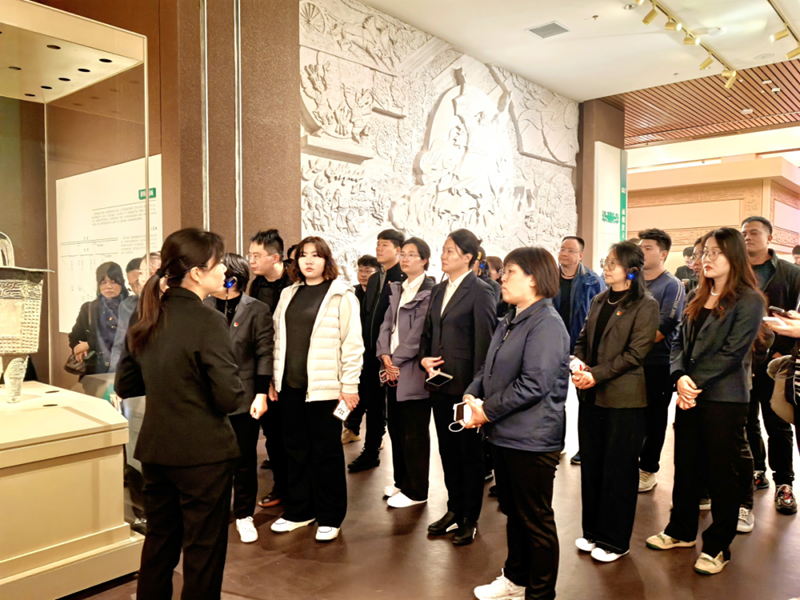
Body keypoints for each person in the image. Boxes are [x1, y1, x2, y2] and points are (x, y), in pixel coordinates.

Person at [115, 228, 250, 600]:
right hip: (204, 454)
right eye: (218, 263)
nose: (225, 270)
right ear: (196, 273)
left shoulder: (148, 315)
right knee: (203, 550)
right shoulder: (208, 320)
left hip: (156, 450)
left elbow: (126, 383)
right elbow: (228, 397)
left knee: (159, 542)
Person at [646, 228, 765, 576]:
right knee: (686, 465)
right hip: (689, 394)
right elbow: (678, 343)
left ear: (734, 256)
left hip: (724, 399)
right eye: (704, 253)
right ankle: (680, 531)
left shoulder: (749, 300)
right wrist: (679, 376)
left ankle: (717, 546)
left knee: (722, 474)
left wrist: (691, 384)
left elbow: (732, 353)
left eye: (715, 253)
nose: (706, 259)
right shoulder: (696, 293)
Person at [465, 247, 570, 600]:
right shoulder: (511, 318)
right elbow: (489, 368)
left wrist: (486, 411)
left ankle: (540, 594)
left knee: (535, 520)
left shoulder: (547, 324)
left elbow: (534, 384)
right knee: (514, 513)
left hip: (532, 438)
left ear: (534, 279)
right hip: (505, 434)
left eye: (510, 272)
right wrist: (472, 393)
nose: (502, 278)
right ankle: (516, 578)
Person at [269, 236, 364, 542]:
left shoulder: (341, 295)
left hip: (327, 390)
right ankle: (300, 511)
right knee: (295, 451)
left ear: (326, 260)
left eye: (316, 255)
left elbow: (353, 345)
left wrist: (350, 386)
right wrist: (273, 379)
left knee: (326, 452)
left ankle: (330, 516)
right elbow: (277, 340)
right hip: (290, 388)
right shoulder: (288, 293)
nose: (308, 260)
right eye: (303, 255)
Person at [572, 241, 659, 563]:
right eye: (605, 262)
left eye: (613, 263)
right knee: (592, 465)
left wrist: (595, 374)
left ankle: (615, 541)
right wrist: (579, 366)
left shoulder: (645, 304)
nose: (606, 268)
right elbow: (583, 339)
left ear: (632, 271)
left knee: (618, 471)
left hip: (624, 399)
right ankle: (592, 531)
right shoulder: (599, 299)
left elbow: (635, 354)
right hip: (591, 395)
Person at [420, 228, 497, 545]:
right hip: (439, 385)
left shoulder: (480, 291)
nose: (443, 255)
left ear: (467, 257)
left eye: (450, 251)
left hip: (466, 388)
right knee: (448, 451)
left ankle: (469, 518)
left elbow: (485, 346)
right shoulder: (439, 289)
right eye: (443, 250)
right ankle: (453, 509)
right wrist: (425, 359)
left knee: (469, 455)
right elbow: (429, 332)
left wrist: (476, 392)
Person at [206, 253, 274, 544]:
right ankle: (216, 511)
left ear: (233, 279)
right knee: (212, 460)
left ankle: (244, 514)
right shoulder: (204, 306)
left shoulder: (257, 309)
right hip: (209, 397)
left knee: (244, 459)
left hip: (244, 395)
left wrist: (261, 393)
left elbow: (264, 354)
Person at [741, 216, 799, 517]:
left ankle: (784, 483)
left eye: (754, 232)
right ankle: (757, 470)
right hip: (742, 362)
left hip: (776, 361)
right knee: (747, 421)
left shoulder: (790, 272)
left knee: (777, 424)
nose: (747, 237)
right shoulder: (737, 271)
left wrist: (781, 352)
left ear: (770, 237)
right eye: (743, 233)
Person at [375, 237, 435, 508]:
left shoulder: (430, 291)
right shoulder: (398, 288)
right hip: (392, 369)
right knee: (396, 429)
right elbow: (386, 325)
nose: (405, 259)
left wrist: (395, 361)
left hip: (412, 371)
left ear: (424, 260)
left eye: (412, 255)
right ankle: (402, 482)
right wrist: (384, 355)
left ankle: (417, 491)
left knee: (414, 433)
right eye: (403, 254)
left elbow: (418, 334)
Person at [345, 229, 407, 472]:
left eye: (385, 245)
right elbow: (366, 316)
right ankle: (370, 451)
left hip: (393, 355)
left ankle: (401, 465)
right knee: (372, 402)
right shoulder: (374, 280)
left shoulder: (403, 277)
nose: (379, 249)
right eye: (378, 244)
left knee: (394, 409)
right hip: (369, 352)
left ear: (398, 250)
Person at [637, 229, 686, 492]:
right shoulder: (632, 278)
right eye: (640, 247)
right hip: (630, 361)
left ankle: (648, 469)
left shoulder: (672, 284)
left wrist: (634, 345)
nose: (642, 251)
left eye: (648, 248)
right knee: (632, 416)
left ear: (663, 254)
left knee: (655, 417)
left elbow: (667, 324)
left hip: (658, 361)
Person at [247, 229, 291, 509]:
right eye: (250, 255)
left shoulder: (294, 283)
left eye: (257, 256)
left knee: (294, 436)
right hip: (266, 368)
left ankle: (300, 490)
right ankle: (281, 486)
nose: (251, 261)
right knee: (273, 436)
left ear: (275, 258)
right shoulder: (257, 285)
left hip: (293, 370)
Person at [552, 235, 606, 466]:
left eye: (570, 250)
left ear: (580, 256)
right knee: (553, 397)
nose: (564, 253)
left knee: (585, 400)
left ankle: (586, 449)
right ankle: (555, 445)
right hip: (553, 346)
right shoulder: (549, 278)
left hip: (581, 348)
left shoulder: (592, 281)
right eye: (562, 249)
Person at [69, 261, 130, 376]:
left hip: (124, 372)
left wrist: (89, 345)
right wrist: (78, 350)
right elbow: (75, 336)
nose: (108, 286)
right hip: (94, 372)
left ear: (122, 282)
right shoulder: (89, 308)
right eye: (103, 282)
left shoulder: (131, 307)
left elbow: (124, 339)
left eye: (113, 281)